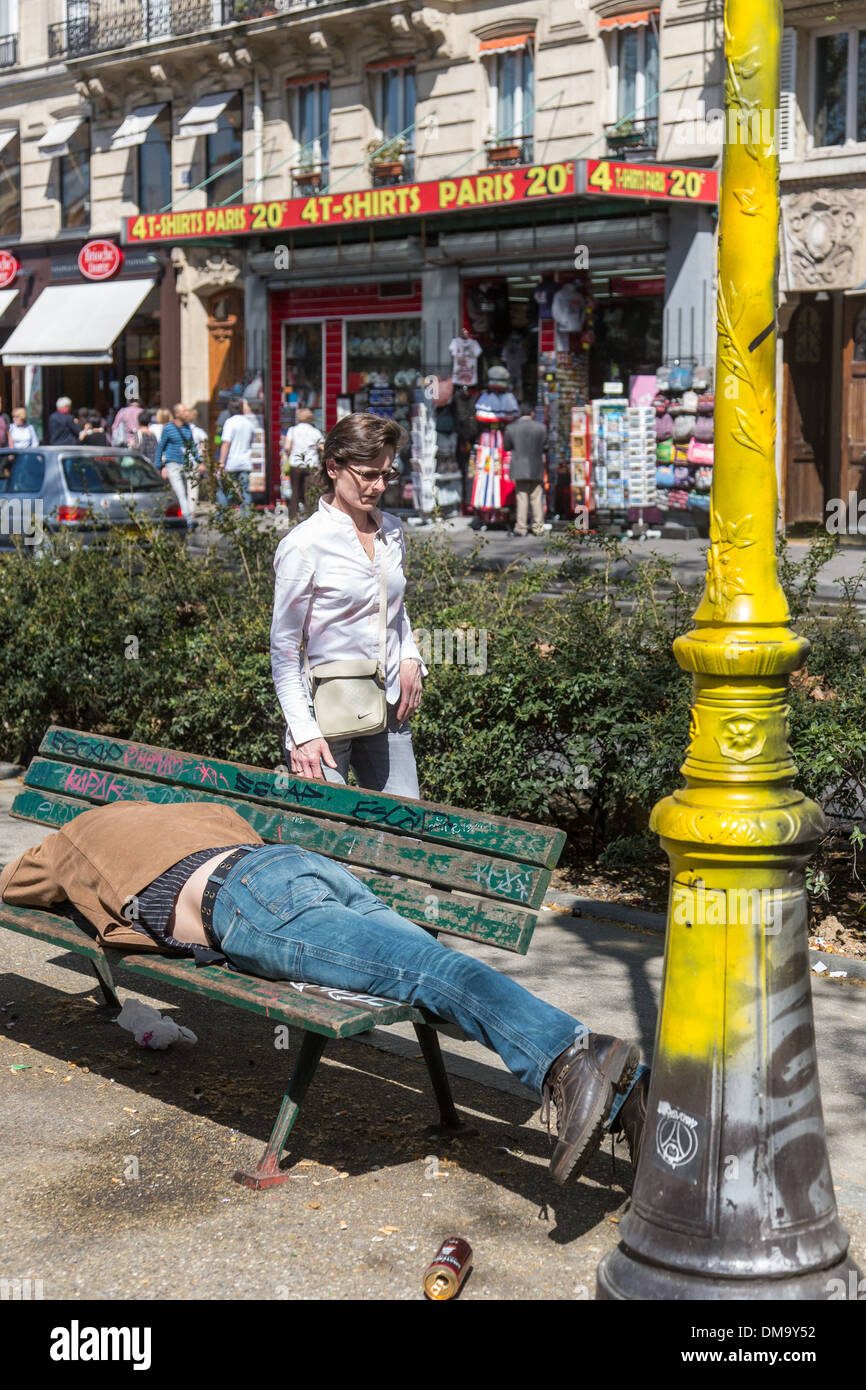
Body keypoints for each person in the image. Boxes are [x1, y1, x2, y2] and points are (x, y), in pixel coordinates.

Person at [0, 798, 649, 1183]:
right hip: (297, 868)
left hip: (250, 906)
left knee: (423, 974)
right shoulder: (186, 812)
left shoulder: (72, 840)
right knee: (424, 968)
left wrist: (71, 866)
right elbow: (237, 828)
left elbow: (15, 884)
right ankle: (621, 1100)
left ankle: (570, 1057)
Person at [271, 412, 426, 798]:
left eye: (386, 475)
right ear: (333, 467)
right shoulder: (304, 545)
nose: (377, 486)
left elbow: (392, 606)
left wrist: (410, 655)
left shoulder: (392, 530)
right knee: (325, 840)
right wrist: (303, 732)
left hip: (388, 704)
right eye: (367, 474)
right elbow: (284, 650)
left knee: (404, 831)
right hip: (324, 716)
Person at [504, 401, 548, 538]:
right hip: (536, 466)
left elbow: (506, 446)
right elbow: (545, 446)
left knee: (522, 497)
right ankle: (538, 527)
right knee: (536, 496)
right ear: (532, 413)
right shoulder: (541, 428)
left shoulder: (511, 428)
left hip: (520, 467)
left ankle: (521, 527)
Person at [153, 402, 196, 529]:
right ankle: (188, 520)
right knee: (180, 493)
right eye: (184, 411)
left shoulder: (187, 428)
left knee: (186, 493)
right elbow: (161, 447)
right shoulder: (168, 428)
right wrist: (159, 466)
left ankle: (180, 516)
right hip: (172, 464)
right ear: (177, 414)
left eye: (187, 411)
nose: (187, 413)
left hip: (186, 464)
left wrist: (199, 461)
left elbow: (192, 445)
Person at [281, 406, 323, 522]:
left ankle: (293, 517)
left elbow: (287, 447)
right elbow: (322, 447)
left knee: (295, 491)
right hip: (312, 465)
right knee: (309, 492)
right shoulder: (315, 432)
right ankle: (311, 516)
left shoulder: (292, 430)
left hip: (296, 464)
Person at [217, 395, 256, 512]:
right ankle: (247, 518)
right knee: (245, 493)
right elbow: (251, 441)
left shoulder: (230, 423)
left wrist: (221, 463)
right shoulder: (249, 423)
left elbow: (226, 443)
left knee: (224, 492)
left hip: (231, 463)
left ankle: (222, 518)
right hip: (245, 462)